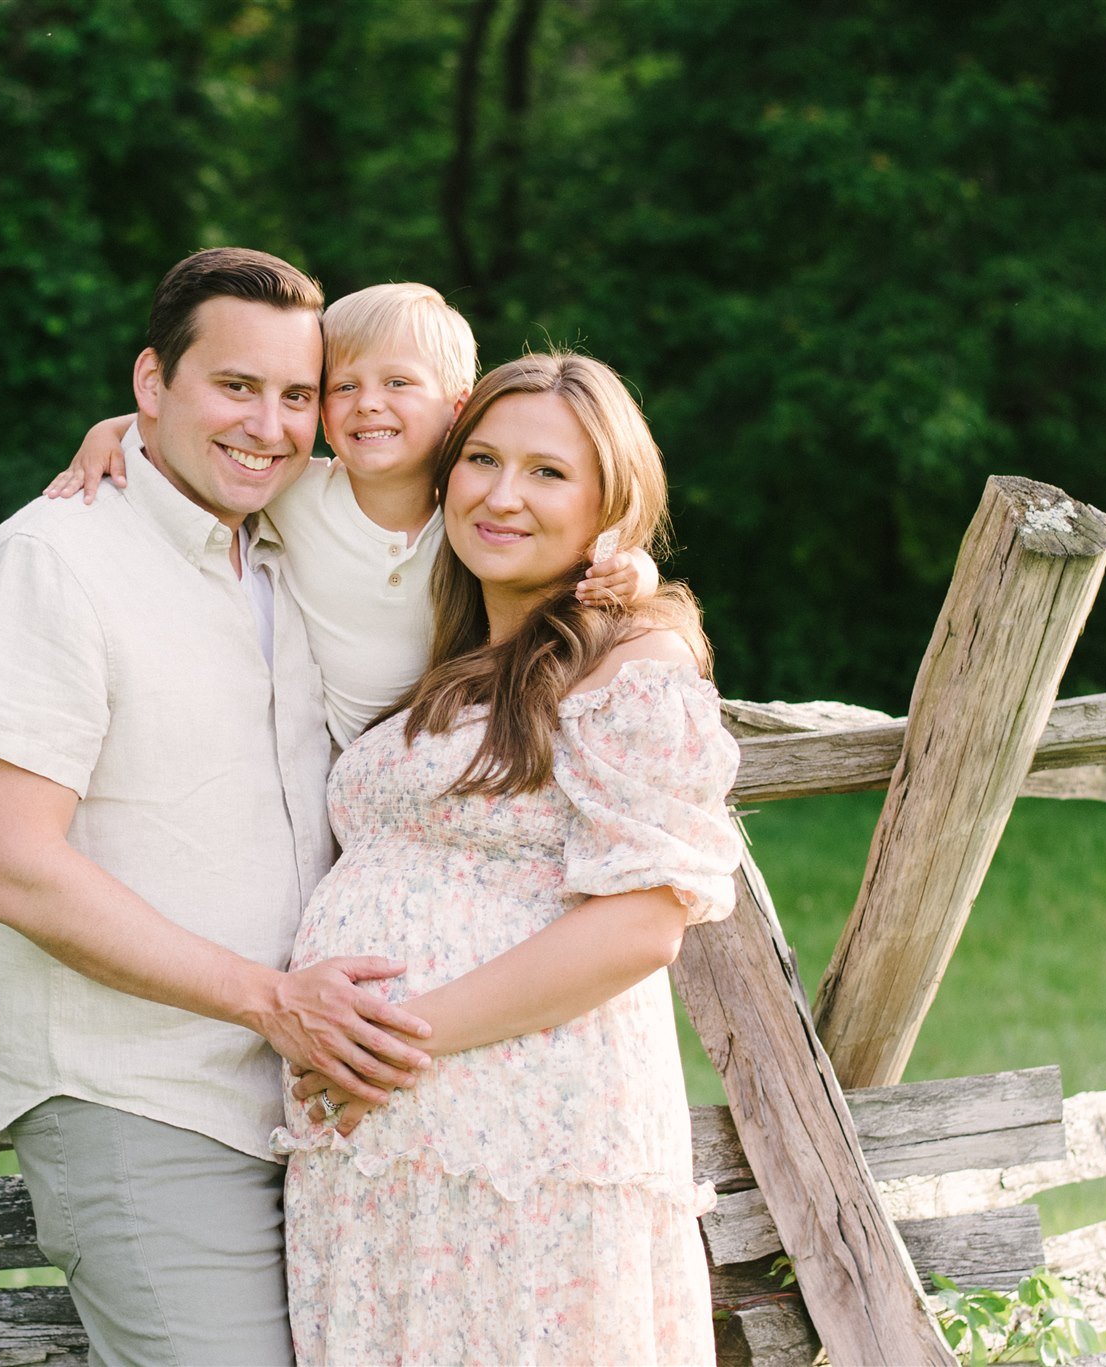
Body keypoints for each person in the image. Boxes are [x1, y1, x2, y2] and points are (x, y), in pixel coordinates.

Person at [0, 247, 438, 1367]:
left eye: (295, 395)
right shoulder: (51, 563)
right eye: (233, 385)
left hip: (316, 1109)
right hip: (145, 1101)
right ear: (149, 383)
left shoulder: (290, 553)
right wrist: (271, 1001)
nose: (269, 424)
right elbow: (15, 863)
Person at [276, 351, 745, 1365]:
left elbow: (637, 924)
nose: (500, 493)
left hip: (524, 1152)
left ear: (609, 503)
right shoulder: (449, 658)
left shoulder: (635, 663)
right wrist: (123, 442)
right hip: (391, 1153)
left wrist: (394, 1041)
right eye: (481, 457)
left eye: (546, 472)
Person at [46, 281, 659, 749]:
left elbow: (581, 560)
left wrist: (637, 571)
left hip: (450, 742)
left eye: (397, 383)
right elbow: (201, 435)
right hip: (329, 763)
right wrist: (114, 430)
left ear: (459, 406)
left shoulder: (476, 520)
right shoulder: (295, 493)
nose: (368, 404)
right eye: (342, 387)